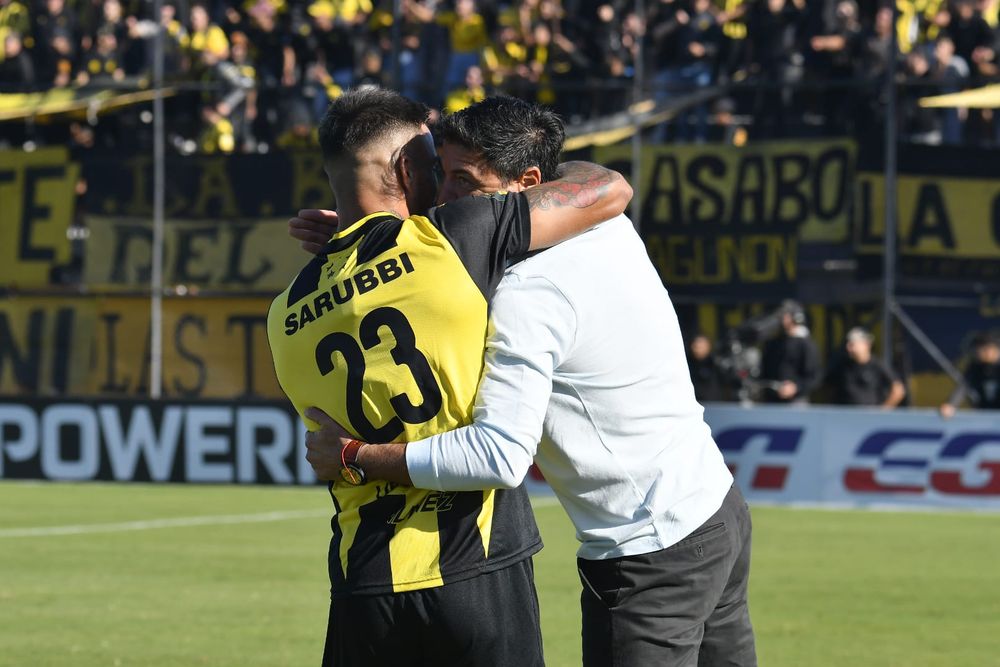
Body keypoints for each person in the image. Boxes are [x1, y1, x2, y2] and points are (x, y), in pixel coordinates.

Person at [296, 95, 756, 667]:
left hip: (647, 553)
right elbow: (588, 185)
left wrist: (358, 456)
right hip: (717, 507)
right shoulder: (610, 226)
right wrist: (366, 237)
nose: (444, 197)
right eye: (441, 174)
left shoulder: (526, 294)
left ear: (528, 182)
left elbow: (500, 456)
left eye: (462, 181)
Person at [267, 87, 632, 666]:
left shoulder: (282, 315)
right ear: (406, 168)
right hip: (476, 569)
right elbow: (608, 188)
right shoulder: (454, 237)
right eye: (435, 164)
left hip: (363, 584)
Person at [824, 327, 905, 408]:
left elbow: (898, 389)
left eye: (852, 344)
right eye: (848, 344)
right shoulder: (842, 365)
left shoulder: (878, 366)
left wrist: (883, 410)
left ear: (866, 345)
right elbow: (828, 386)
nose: (848, 348)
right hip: (846, 415)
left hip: (869, 417)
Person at [760, 300, 821, 404]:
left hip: (795, 402)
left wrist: (796, 387)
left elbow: (814, 377)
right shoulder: (773, 343)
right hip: (772, 401)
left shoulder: (806, 344)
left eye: (785, 315)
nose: (780, 319)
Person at [940, 332, 1000, 418]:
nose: (980, 353)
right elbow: (964, 386)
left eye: (985, 349)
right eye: (979, 349)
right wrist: (951, 404)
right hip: (984, 413)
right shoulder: (975, 366)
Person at [688, 332, 730, 402]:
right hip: (693, 405)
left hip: (715, 406)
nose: (698, 349)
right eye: (696, 346)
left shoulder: (716, 364)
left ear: (708, 346)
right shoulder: (687, 365)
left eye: (701, 346)